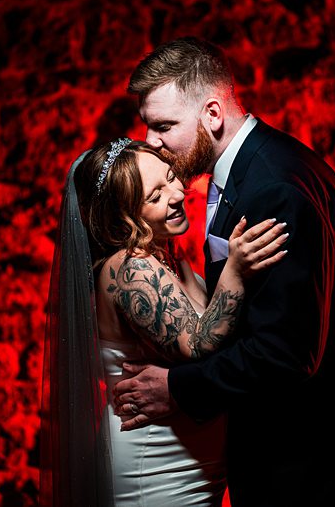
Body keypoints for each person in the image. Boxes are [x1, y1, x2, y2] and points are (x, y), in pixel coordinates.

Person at [113, 37, 335, 506]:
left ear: (213, 114)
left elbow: (287, 353)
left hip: (318, 460)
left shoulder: (274, 190)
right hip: (310, 449)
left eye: (163, 126)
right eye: (148, 127)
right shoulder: (255, 166)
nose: (151, 142)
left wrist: (177, 387)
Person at [40, 138, 287, 507]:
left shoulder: (169, 256)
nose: (177, 194)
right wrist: (235, 269)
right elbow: (200, 344)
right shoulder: (131, 268)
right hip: (154, 464)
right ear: (123, 215)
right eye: (154, 196)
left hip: (195, 462)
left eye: (172, 178)